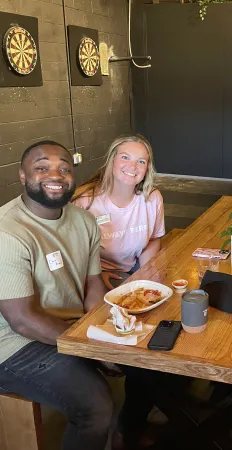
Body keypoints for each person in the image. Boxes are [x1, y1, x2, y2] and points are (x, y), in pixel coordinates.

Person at [0, 141, 113, 450]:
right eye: (41, 168)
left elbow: (93, 285)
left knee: (149, 359)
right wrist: (90, 347)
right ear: (22, 176)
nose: (56, 175)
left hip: (68, 328)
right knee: (95, 407)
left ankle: (127, 433)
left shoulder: (84, 220)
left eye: (64, 168)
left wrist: (105, 330)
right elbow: (22, 321)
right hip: (13, 345)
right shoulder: (7, 231)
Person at [72, 135, 165, 289]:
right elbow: (73, 253)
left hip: (133, 267)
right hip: (95, 272)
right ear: (112, 161)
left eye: (141, 161)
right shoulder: (84, 202)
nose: (133, 166)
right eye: (125, 157)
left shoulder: (152, 198)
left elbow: (153, 239)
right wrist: (94, 276)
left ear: (147, 168)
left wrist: (148, 273)